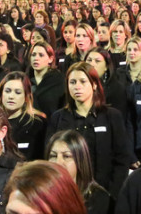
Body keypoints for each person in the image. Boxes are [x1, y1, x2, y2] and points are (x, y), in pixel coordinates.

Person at [46, 62, 136, 198]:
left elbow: (122, 159)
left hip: (105, 192)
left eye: (83, 81)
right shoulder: (58, 118)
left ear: (94, 85)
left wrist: (111, 194)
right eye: (72, 82)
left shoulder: (112, 116)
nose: (77, 86)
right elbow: (50, 156)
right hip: (67, 192)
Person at [45, 129, 112, 214]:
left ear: (80, 161)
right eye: (53, 156)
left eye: (66, 156)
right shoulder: (41, 197)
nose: (58, 162)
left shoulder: (101, 200)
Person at [0, 72, 46, 161]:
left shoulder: (37, 124)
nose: (11, 96)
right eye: (7, 91)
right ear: (1, 94)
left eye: (18, 92)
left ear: (26, 96)